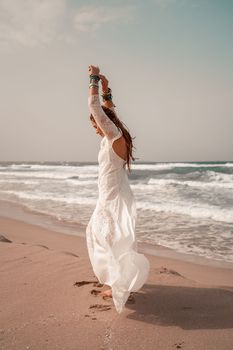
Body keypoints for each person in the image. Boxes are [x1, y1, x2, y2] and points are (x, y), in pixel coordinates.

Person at [86, 65, 150, 314]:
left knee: (108, 238)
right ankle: (119, 281)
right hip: (111, 194)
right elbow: (109, 113)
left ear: (104, 124)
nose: (95, 128)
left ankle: (118, 285)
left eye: (96, 124)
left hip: (112, 196)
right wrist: (106, 89)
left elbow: (96, 109)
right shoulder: (114, 135)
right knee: (104, 236)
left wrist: (93, 78)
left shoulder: (114, 137)